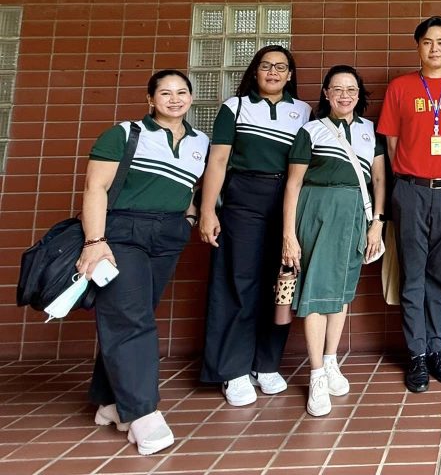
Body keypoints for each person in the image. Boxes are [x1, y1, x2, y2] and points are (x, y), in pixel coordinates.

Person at [78, 70, 209, 455]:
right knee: (131, 318)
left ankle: (109, 401)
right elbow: (95, 187)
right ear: (150, 99)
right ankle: (143, 413)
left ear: (190, 98)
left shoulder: (201, 142)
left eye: (182, 92)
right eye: (165, 93)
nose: (174, 99)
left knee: (133, 313)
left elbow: (191, 187)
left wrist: (188, 219)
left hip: (168, 234)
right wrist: (95, 241)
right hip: (123, 232)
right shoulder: (124, 133)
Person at [198, 46, 312, 406]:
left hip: (287, 201)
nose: (273, 72)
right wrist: (207, 211)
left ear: (290, 75)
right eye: (266, 66)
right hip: (243, 199)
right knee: (239, 281)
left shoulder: (303, 112)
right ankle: (233, 369)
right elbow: (218, 161)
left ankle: (266, 363)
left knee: (280, 282)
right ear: (255, 71)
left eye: (281, 67)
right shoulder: (235, 107)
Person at [377, 15, 441, 392]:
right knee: (413, 275)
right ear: (418, 47)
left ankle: (437, 349)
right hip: (410, 190)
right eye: (427, 42)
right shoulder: (400, 87)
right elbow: (390, 145)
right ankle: (416, 353)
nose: (434, 48)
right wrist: (406, 182)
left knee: (439, 274)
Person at [282, 65, 385, 417]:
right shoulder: (310, 131)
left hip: (356, 214)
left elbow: (379, 180)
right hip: (316, 212)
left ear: (359, 94)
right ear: (326, 93)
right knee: (314, 291)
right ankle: (315, 374)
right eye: (337, 89)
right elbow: (293, 184)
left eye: (351, 89)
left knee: (341, 291)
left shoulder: (370, 131)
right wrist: (288, 234)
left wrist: (377, 223)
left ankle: (330, 361)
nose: (345, 95)